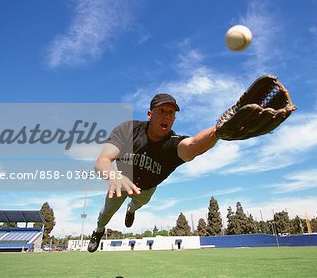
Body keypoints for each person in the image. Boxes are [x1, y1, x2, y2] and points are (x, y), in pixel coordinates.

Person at [88, 93, 219, 252]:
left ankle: (131, 210)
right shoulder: (129, 129)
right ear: (150, 114)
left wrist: (219, 130)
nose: (167, 116)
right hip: (120, 182)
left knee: (137, 204)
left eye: (171, 113)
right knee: (106, 212)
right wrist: (114, 175)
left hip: (146, 189)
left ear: (174, 119)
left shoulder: (173, 144)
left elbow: (193, 146)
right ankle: (99, 230)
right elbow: (102, 161)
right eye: (162, 110)